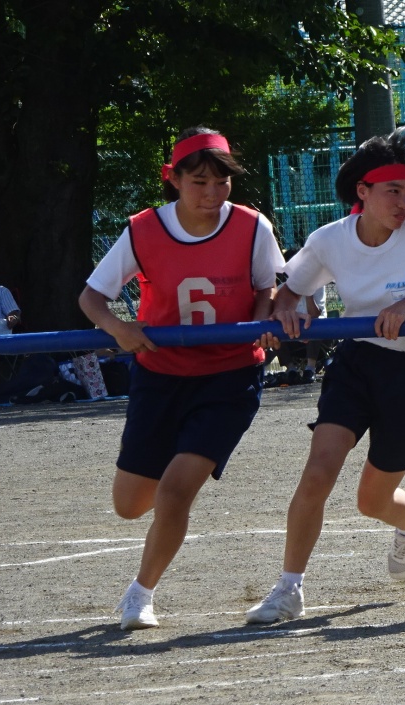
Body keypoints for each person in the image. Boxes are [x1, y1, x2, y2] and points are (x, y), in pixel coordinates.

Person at [246, 128, 405, 624]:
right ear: (362, 192)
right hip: (357, 362)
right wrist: (284, 311)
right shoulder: (328, 240)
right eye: (394, 190)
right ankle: (288, 588)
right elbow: (290, 292)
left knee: (372, 500)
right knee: (318, 472)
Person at [78, 126, 283, 630]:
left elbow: (267, 288)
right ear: (173, 179)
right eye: (199, 183)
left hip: (230, 377)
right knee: (129, 505)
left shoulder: (253, 227)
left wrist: (266, 323)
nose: (212, 194)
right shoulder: (143, 229)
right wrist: (119, 328)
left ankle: (140, 594)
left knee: (174, 491)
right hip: (160, 375)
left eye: (222, 183)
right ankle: (162, 486)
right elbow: (91, 298)